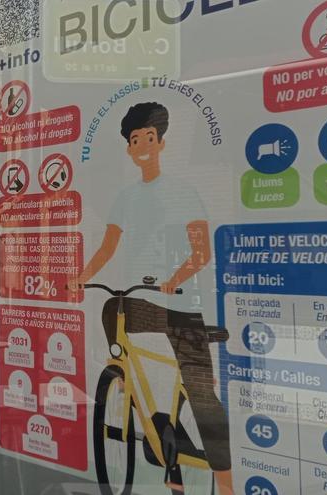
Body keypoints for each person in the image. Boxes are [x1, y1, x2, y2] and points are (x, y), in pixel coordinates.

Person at [69, 102, 234, 495]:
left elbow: (201, 252)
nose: (141, 145)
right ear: (128, 148)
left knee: (202, 398)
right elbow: (107, 249)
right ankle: (124, 377)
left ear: (161, 143)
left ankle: (226, 486)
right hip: (141, 299)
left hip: (179, 302)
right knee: (112, 308)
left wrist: (173, 279)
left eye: (148, 138)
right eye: (134, 140)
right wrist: (80, 278)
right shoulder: (126, 198)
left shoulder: (182, 192)